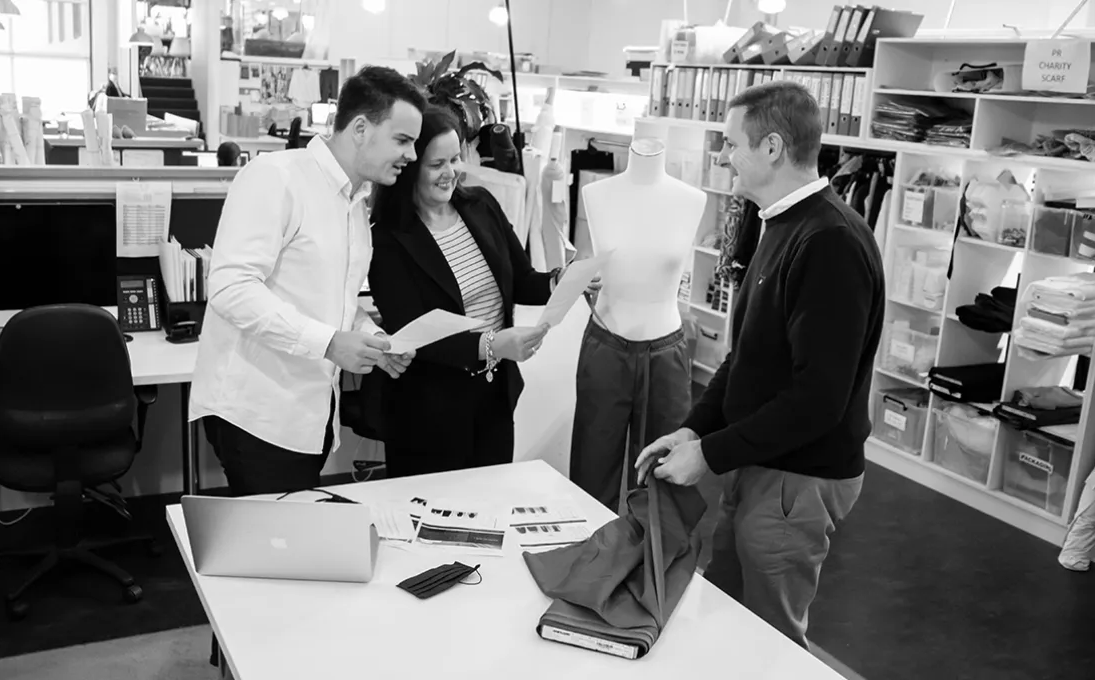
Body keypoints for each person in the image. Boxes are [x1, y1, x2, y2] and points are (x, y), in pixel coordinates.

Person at [635, 81, 885, 649]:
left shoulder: (830, 243)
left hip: (798, 477)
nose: (724, 157)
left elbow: (818, 399)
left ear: (771, 147)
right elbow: (747, 358)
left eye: (731, 144)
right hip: (764, 463)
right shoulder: (780, 223)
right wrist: (693, 429)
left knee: (770, 643)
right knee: (726, 617)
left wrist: (710, 454)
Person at [189, 66, 427, 497]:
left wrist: (371, 337)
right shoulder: (275, 177)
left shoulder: (356, 202)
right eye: (402, 140)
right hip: (258, 411)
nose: (411, 156)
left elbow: (335, 299)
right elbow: (230, 288)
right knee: (276, 553)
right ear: (360, 128)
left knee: (293, 546)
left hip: (310, 412)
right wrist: (330, 342)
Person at [368, 105, 598, 478]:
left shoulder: (481, 206)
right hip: (429, 409)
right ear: (410, 167)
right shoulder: (386, 239)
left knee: (490, 505)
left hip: (493, 394)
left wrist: (562, 280)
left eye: (456, 159)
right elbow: (413, 333)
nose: (450, 173)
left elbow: (521, 279)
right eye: (436, 164)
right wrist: (493, 345)